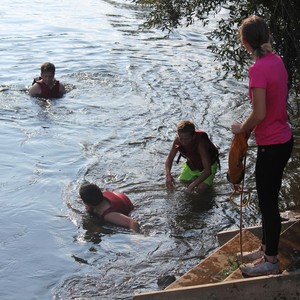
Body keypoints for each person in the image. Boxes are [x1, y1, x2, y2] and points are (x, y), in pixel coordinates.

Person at [231, 16, 293, 277]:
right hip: (284, 139)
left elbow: (258, 113)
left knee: (268, 204)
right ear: (266, 36)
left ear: (245, 42)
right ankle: (266, 247)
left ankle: (270, 261)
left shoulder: (258, 69)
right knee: (269, 200)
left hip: (272, 144)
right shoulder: (276, 61)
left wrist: (241, 130)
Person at [165, 120, 219, 194]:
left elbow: (208, 171)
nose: (183, 142)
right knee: (181, 183)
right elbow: (170, 158)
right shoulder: (177, 140)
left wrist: (191, 186)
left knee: (201, 188)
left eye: (186, 139)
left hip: (209, 166)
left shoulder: (200, 144)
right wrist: (168, 175)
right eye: (181, 138)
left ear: (193, 136)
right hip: (192, 165)